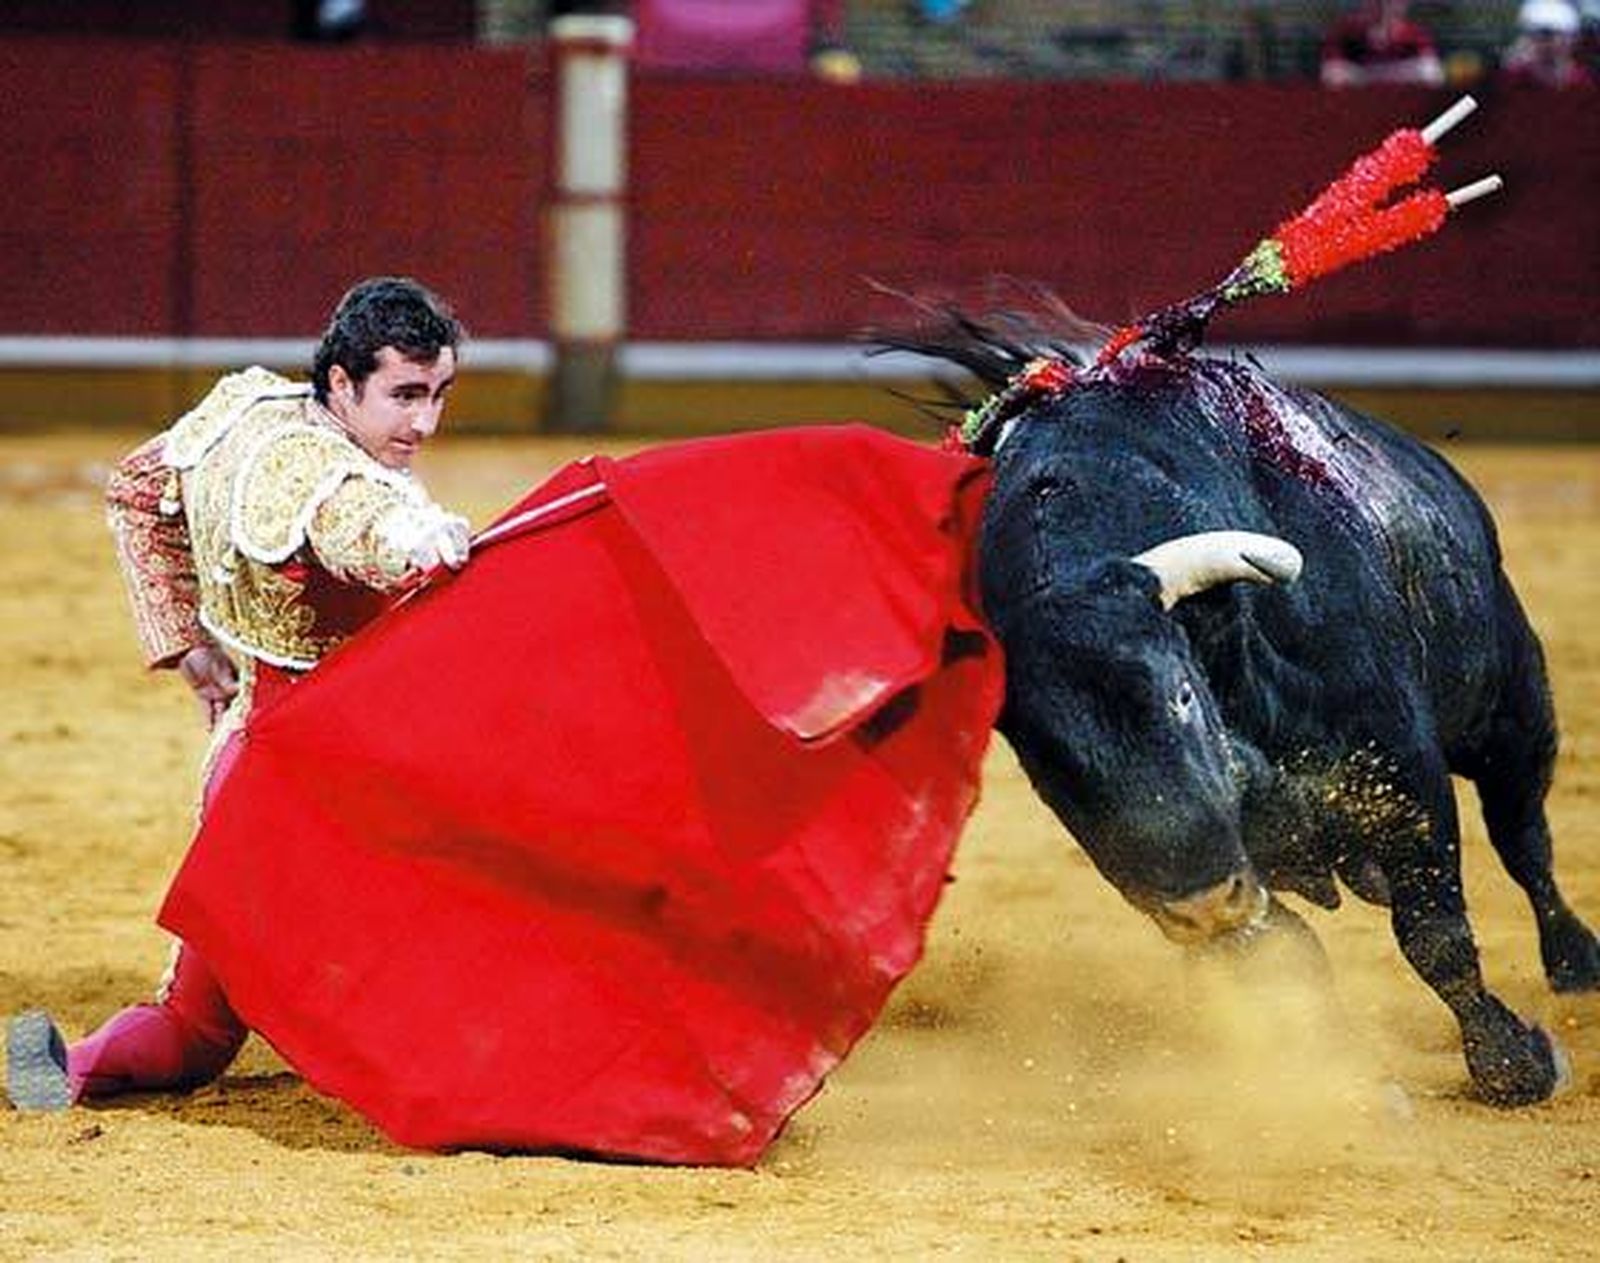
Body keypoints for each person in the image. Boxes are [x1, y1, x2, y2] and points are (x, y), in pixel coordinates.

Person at [6, 276, 470, 1110]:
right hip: (329, 795)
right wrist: (416, 538)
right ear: (341, 382)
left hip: (246, 772)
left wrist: (187, 641)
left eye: (437, 394)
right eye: (404, 395)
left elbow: (138, 491)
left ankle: (69, 1067)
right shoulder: (337, 483)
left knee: (194, 1024)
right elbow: (358, 528)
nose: (424, 423)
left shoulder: (246, 412)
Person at [1320, 0, 1445, 87]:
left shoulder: (1415, 35)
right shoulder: (1347, 32)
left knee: (1428, 71)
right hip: (1359, 92)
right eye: (1378, 2)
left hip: (1401, 94)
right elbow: (1331, 70)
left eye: (1390, 2)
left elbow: (1432, 72)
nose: (1384, 8)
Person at [1499, 0, 1597, 88]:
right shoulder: (1512, 78)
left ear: (1572, 39)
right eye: (1535, 34)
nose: (1542, 41)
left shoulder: (1583, 82)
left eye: (1547, 34)